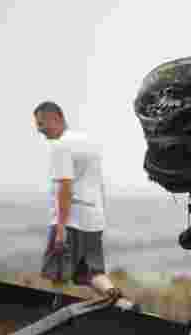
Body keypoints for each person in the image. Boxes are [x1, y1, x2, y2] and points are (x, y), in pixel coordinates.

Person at [32, 101, 136, 310]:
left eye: (42, 124)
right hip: (93, 219)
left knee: (57, 272)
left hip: (70, 219)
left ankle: (55, 314)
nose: (39, 130)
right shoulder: (87, 143)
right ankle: (124, 305)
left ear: (56, 118)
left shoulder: (61, 146)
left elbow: (66, 187)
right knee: (93, 273)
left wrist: (60, 229)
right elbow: (97, 184)